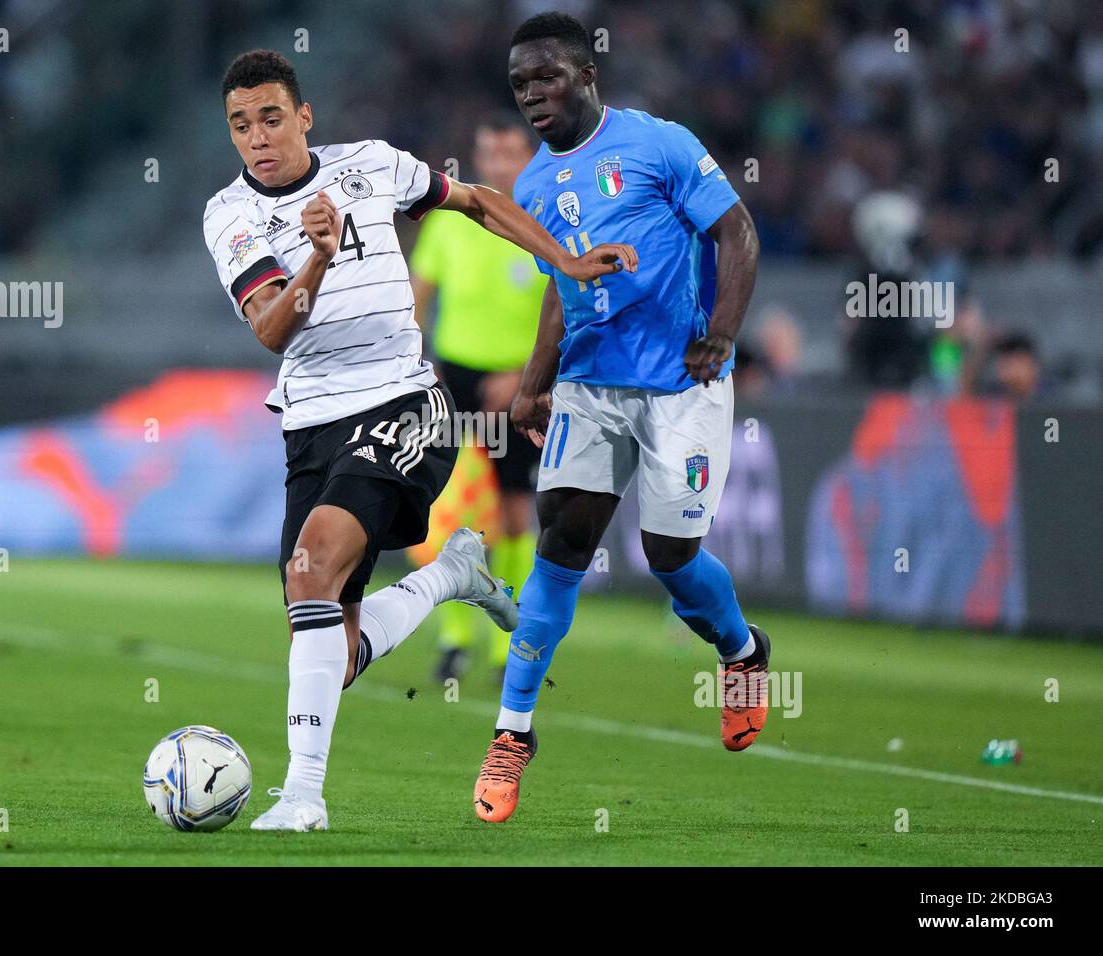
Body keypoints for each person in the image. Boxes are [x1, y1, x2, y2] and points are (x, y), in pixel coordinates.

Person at [202, 49, 635, 831]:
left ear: (303, 117)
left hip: (403, 403)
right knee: (330, 649)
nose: (258, 137)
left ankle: (302, 797)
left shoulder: (370, 165)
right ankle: (447, 578)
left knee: (310, 573)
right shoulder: (227, 214)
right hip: (309, 427)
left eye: (271, 117)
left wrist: (564, 260)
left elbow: (475, 202)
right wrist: (320, 259)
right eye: (241, 125)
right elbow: (271, 328)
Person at [470, 12, 768, 824]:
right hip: (590, 386)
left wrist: (723, 333)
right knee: (561, 542)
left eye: (547, 78)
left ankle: (742, 651)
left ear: (586, 74)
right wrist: (534, 385)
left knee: (671, 557)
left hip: (681, 383)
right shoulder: (531, 186)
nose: (533, 95)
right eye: (521, 84)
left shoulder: (659, 143)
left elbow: (737, 232)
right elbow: (560, 289)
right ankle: (512, 731)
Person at [410, 116, 547, 684]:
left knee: (515, 515)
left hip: (522, 386)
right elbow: (417, 296)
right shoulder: (450, 219)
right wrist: (422, 368)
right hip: (455, 379)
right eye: (489, 153)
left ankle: (504, 643)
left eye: (509, 153)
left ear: (530, 156)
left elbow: (567, 306)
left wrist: (522, 374)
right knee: (455, 510)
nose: (497, 164)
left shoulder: (544, 219)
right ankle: (454, 639)